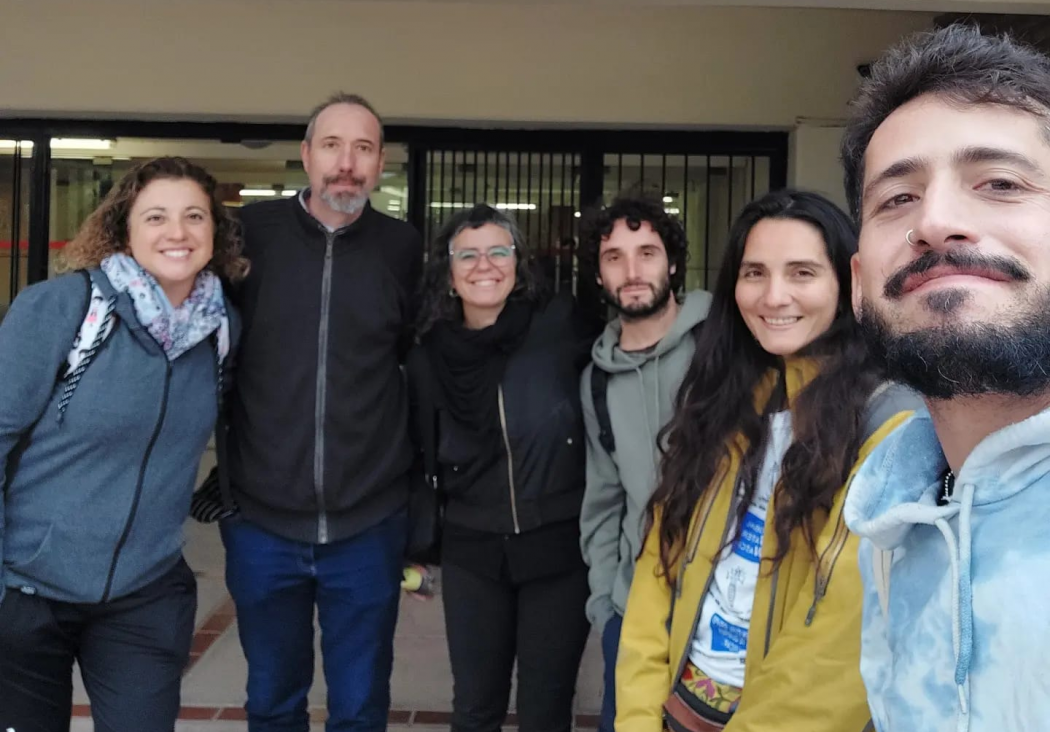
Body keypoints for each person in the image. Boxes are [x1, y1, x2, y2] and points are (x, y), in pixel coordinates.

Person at [616, 189, 918, 732]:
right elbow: (656, 571)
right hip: (678, 712)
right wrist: (638, 719)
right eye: (754, 273)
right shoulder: (727, 401)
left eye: (802, 273)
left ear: (847, 281)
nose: (774, 296)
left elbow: (840, 641)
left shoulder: (889, 421)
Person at [841, 24, 1050, 732]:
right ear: (859, 284)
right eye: (896, 199)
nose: (935, 222)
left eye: (999, 183)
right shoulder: (888, 515)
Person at [0, 156, 246, 732]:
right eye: (155, 216)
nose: (177, 232)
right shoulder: (62, 308)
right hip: (27, 593)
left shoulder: (219, 329)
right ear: (124, 230)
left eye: (194, 216)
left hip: (144, 595)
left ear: (215, 231)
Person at [220, 93, 423, 731]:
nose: (347, 164)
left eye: (363, 149)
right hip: (261, 521)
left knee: (360, 705)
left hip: (368, 522)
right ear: (306, 156)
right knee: (273, 699)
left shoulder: (403, 248)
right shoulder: (250, 238)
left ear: (380, 163)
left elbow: (416, 365)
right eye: (332, 146)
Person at [406, 204, 596, 732]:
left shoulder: (560, 323)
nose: (483, 264)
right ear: (448, 271)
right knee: (475, 705)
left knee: (545, 706)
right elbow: (418, 456)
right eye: (466, 254)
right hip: (472, 550)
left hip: (556, 545)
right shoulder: (427, 356)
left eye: (497, 251)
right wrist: (419, 552)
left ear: (518, 263)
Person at [576, 194, 712, 732]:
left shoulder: (722, 346)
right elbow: (602, 497)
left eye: (647, 252)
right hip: (633, 610)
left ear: (673, 262)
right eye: (614, 257)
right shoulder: (597, 379)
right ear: (600, 274)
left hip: (723, 612)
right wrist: (606, 603)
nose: (632, 272)